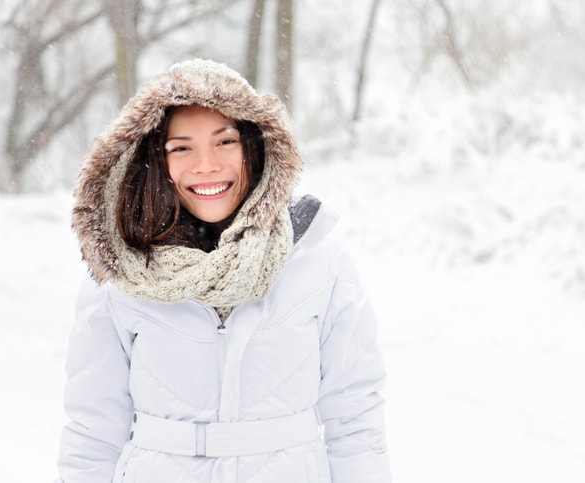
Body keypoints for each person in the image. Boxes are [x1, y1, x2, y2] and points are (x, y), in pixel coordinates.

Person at [55, 58, 391, 483]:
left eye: (224, 142)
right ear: (155, 161)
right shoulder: (122, 272)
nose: (206, 165)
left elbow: (356, 420)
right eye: (182, 147)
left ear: (254, 145)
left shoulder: (317, 258)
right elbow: (92, 435)